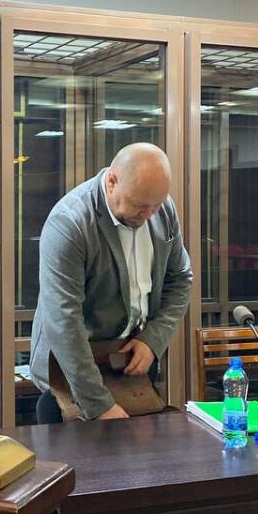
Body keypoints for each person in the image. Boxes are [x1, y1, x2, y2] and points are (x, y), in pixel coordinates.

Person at [30, 143, 193, 421]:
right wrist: (100, 405)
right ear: (112, 182)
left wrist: (153, 339)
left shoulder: (162, 209)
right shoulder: (69, 223)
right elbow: (64, 320)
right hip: (73, 367)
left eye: (155, 205)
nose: (149, 215)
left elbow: (181, 280)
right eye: (140, 206)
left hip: (132, 359)